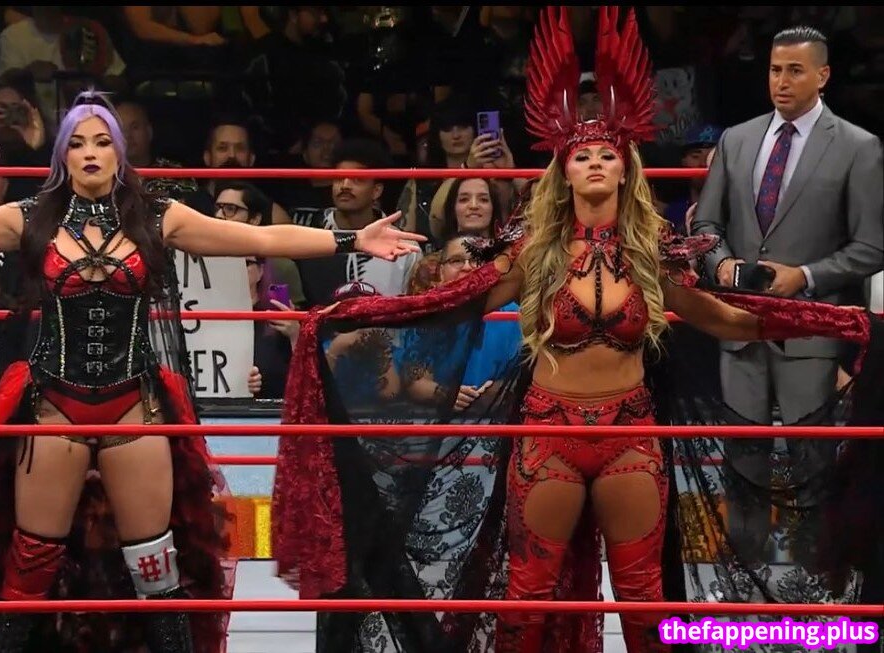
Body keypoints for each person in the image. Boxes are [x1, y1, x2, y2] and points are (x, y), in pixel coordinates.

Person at [270, 7, 883, 653]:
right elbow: (456, 302)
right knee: (527, 594)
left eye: (606, 155)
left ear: (625, 168)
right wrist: (361, 313)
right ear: (562, 170)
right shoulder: (532, 251)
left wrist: (841, 321)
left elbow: (722, 316)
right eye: (581, 155)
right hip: (548, 432)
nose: (594, 163)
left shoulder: (651, 251)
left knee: (644, 598)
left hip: (629, 434)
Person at [0, 90, 424, 653]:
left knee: (156, 568)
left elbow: (259, 238)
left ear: (119, 152)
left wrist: (350, 237)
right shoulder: (31, 217)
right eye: (78, 143)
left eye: (102, 141)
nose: (91, 152)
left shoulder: (157, 215)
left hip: (134, 406)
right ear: (62, 154)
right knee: (29, 566)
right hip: (55, 407)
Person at [690, 25, 884, 576]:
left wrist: (805, 276)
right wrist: (720, 264)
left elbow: (871, 246)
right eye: (775, 69)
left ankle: (814, 581)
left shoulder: (859, 147)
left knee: (811, 459)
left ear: (823, 75)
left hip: (811, 328)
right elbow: (706, 225)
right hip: (739, 323)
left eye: (795, 71)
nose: (781, 81)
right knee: (743, 458)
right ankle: (746, 580)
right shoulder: (737, 139)